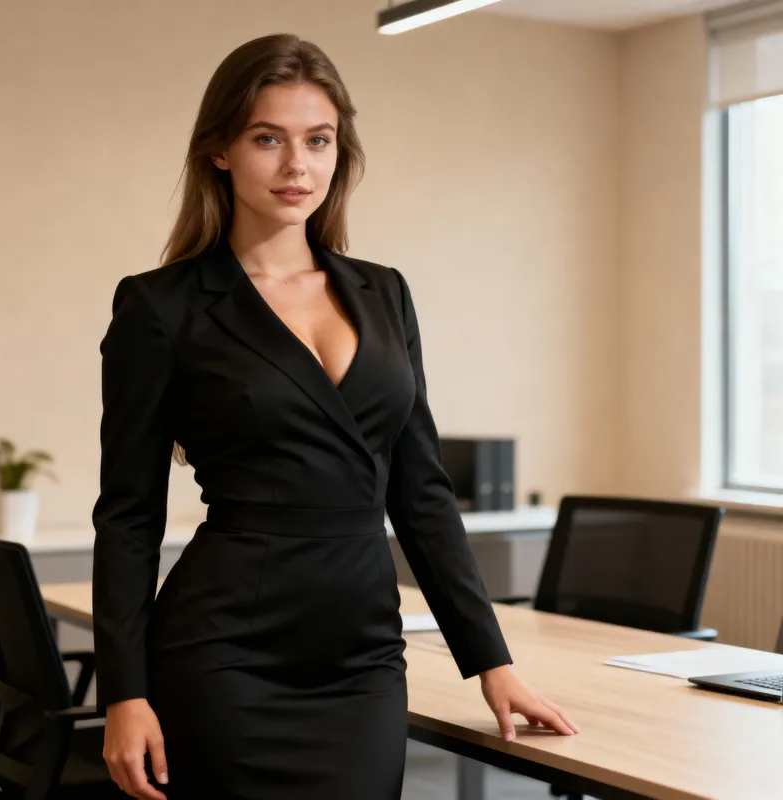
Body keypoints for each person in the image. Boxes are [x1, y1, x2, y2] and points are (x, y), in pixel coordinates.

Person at [91, 32, 579, 800]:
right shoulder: (161, 307)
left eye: (318, 140)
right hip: (224, 655)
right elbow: (128, 514)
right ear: (220, 151)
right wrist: (123, 693)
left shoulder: (385, 294)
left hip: (363, 659)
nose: (297, 165)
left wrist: (492, 661)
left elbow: (421, 493)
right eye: (268, 139)